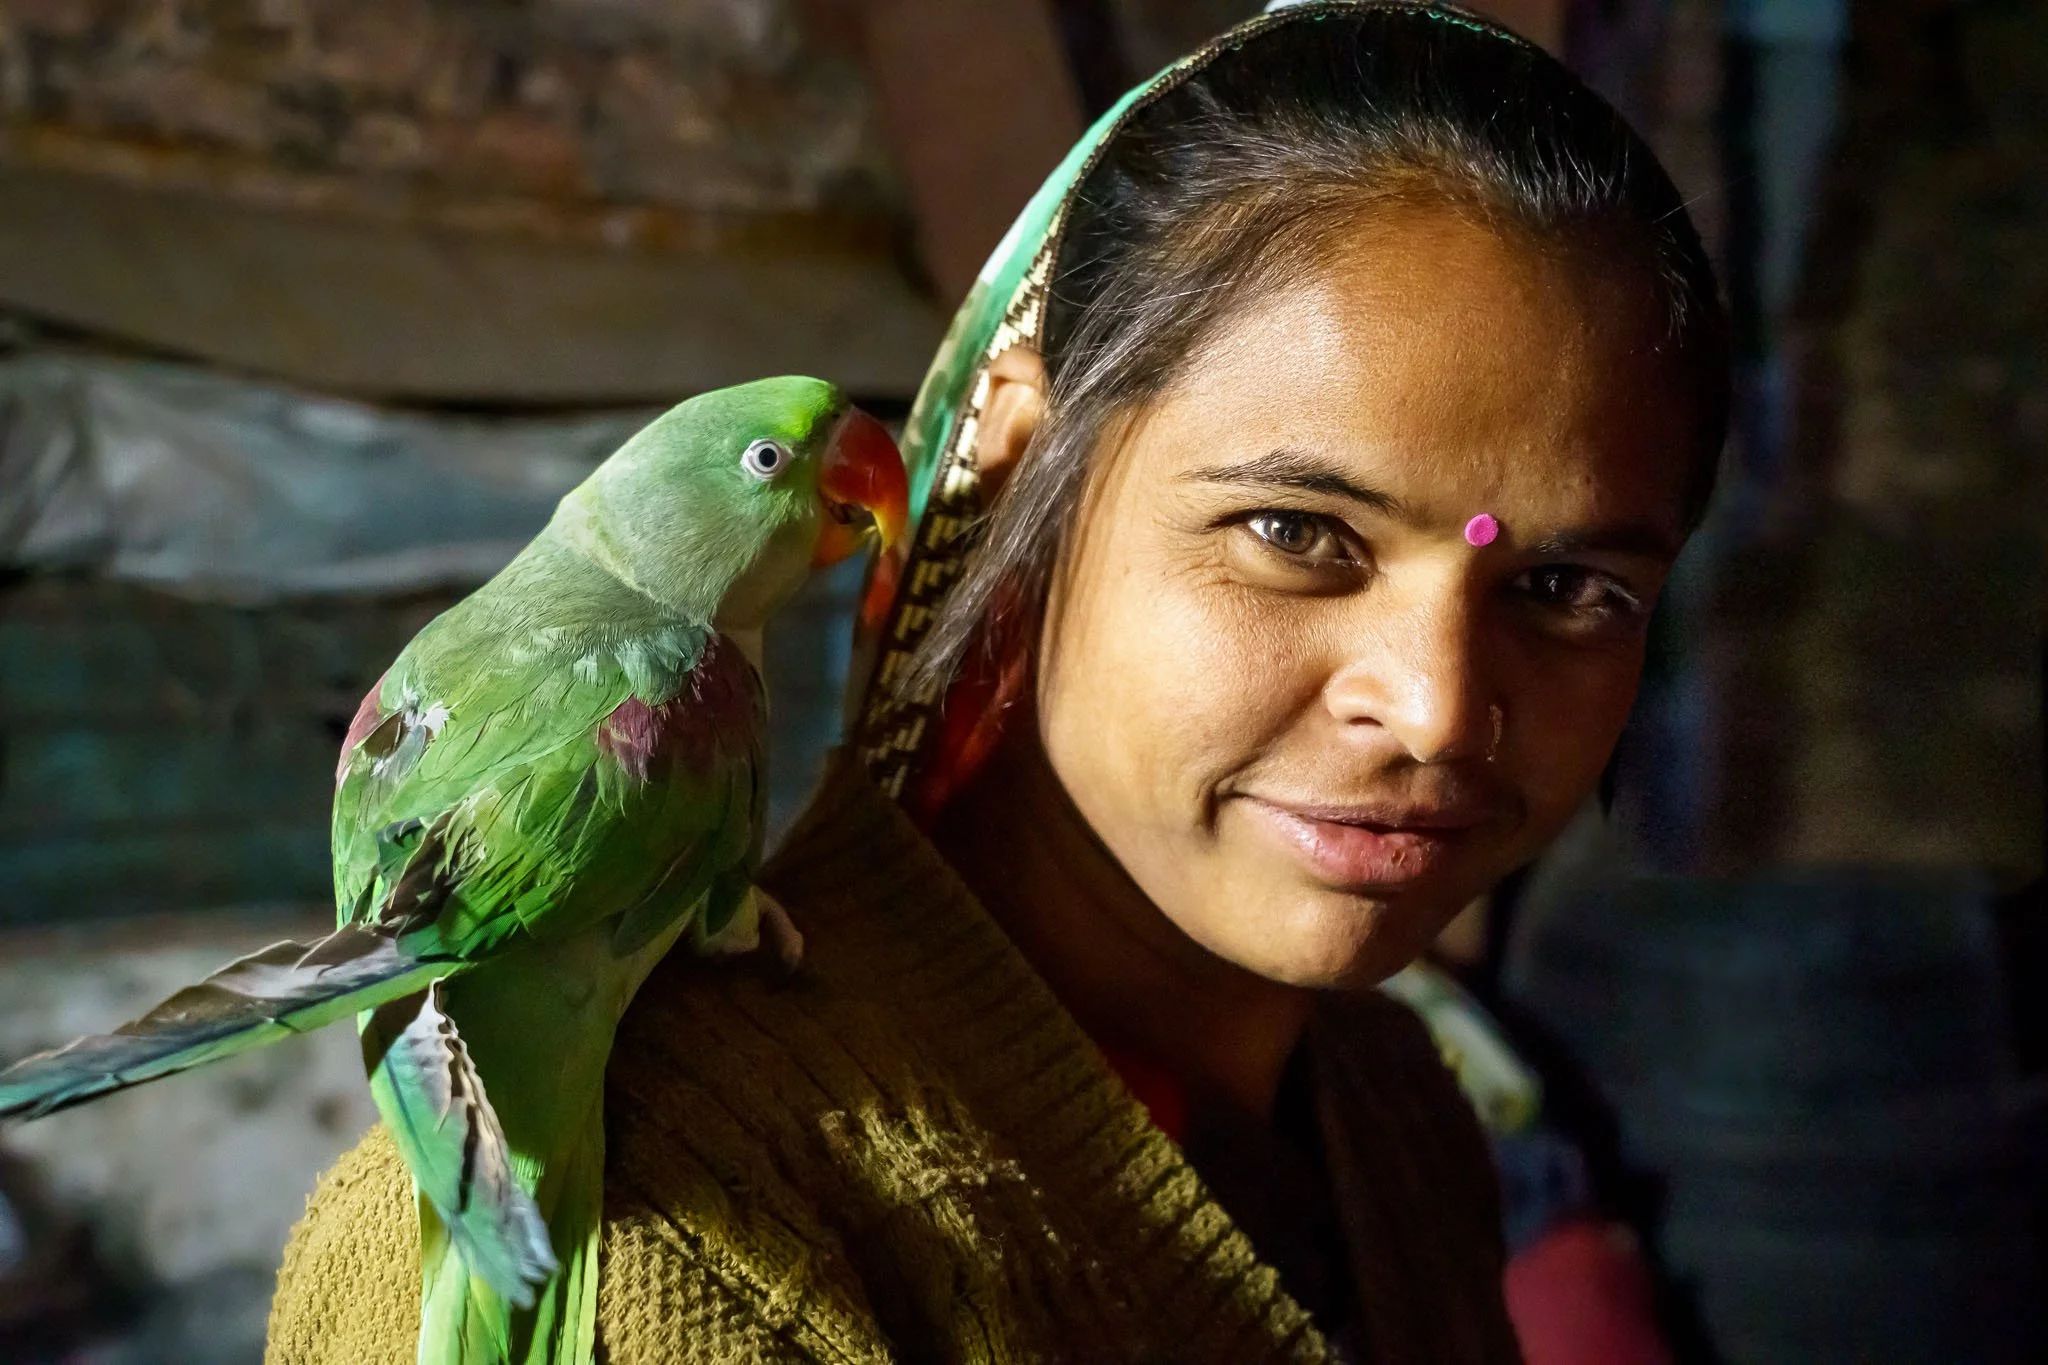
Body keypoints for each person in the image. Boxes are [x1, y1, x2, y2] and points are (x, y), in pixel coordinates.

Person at [265, 3, 1727, 1360]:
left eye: (1568, 590)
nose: (1434, 710)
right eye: (1296, 533)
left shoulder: (1392, 1113)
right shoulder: (651, 1246)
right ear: (1024, 461)